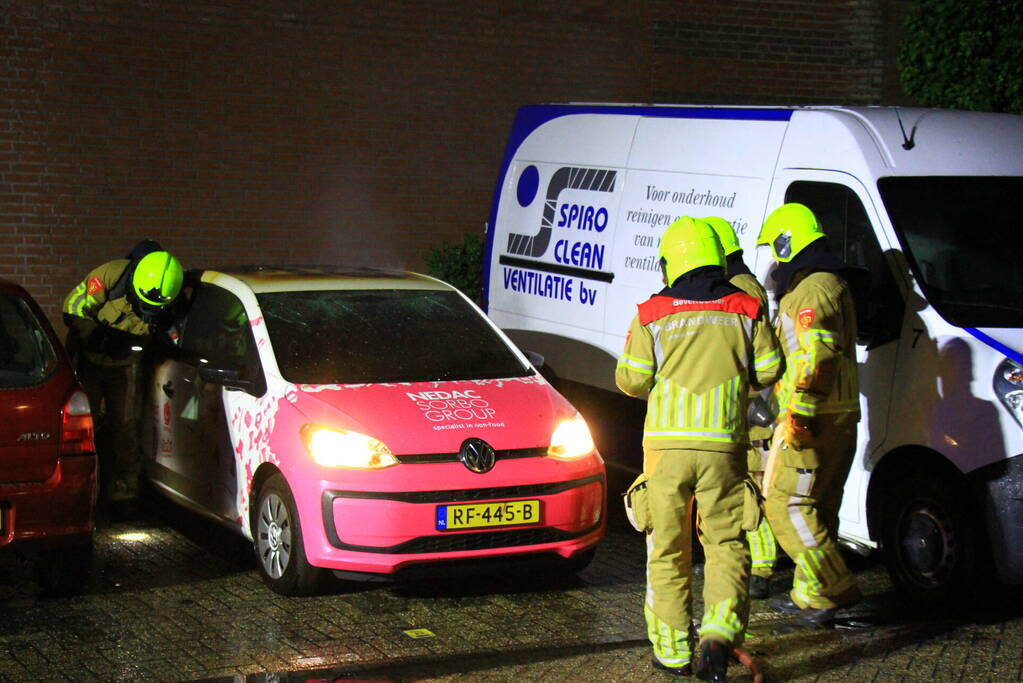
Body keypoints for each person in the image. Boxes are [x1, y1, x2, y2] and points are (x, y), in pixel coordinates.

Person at [616, 217, 783, 680]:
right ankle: (717, 634)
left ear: (670, 262)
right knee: (727, 543)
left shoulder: (651, 313)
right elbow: (769, 370)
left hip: (666, 451)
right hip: (725, 447)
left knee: (667, 549)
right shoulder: (746, 308)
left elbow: (629, 379)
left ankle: (671, 652)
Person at [756, 203, 862, 627]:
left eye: (777, 250)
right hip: (837, 415)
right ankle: (811, 595)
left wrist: (798, 414)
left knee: (786, 504)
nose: (775, 261)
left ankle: (833, 586)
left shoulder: (811, 291)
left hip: (814, 418)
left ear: (788, 242)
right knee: (818, 508)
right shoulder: (830, 282)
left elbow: (816, 356)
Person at [63, 243, 184, 515]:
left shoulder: (171, 297)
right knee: (83, 428)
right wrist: (95, 335)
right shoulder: (111, 276)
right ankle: (80, 494)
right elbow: (72, 306)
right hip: (88, 362)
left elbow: (171, 335)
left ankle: (123, 494)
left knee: (126, 428)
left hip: (127, 366)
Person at [704, 216, 779, 600]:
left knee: (749, 485)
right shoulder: (742, 282)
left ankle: (762, 567)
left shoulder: (738, 288)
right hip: (744, 404)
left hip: (747, 407)